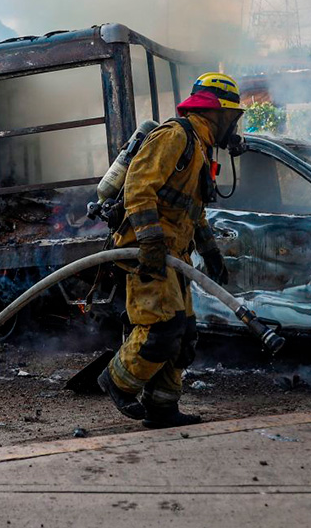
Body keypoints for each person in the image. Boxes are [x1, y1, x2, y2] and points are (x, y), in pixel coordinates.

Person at [98, 72, 241, 429]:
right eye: (232, 117)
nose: (233, 127)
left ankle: (163, 407)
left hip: (175, 256)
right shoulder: (176, 136)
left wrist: (211, 253)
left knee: (185, 334)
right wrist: (149, 242)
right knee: (163, 327)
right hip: (148, 252)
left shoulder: (200, 148)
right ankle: (116, 380)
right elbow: (138, 187)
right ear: (219, 112)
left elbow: (193, 211)